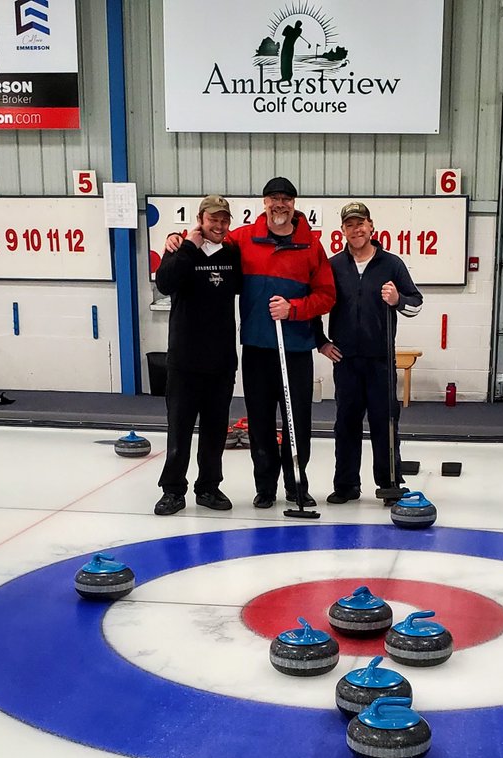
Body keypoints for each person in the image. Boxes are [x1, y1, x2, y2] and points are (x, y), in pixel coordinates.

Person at [227, 177, 335, 510]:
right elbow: (211, 244)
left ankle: (297, 485)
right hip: (258, 348)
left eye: (286, 199)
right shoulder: (244, 239)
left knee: (297, 420)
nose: (280, 204)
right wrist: (180, 238)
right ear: (264, 203)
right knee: (259, 421)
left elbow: (327, 296)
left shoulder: (311, 246)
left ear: (294, 204)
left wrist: (294, 310)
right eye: (274, 198)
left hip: (297, 348)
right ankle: (265, 487)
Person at [316, 202, 423, 503]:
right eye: (350, 225)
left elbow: (416, 303)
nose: (356, 229)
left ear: (371, 226)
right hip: (346, 360)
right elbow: (315, 303)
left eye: (360, 223)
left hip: (380, 361)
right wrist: (321, 341)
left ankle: (389, 484)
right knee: (346, 423)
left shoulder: (391, 264)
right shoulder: (333, 266)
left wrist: (397, 298)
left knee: (385, 421)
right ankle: (346, 485)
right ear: (343, 231)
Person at [153, 195, 242, 515]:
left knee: (215, 432)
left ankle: (208, 487)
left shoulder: (232, 254)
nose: (218, 225)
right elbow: (164, 283)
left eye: (224, 220)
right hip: (184, 361)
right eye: (212, 219)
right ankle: (173, 490)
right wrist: (187, 244)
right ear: (201, 220)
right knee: (179, 429)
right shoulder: (179, 250)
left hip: (220, 362)